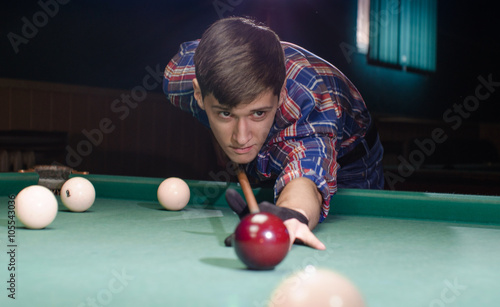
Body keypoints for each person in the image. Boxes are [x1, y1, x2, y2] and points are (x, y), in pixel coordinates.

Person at [163, 17, 384, 250]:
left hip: (350, 160)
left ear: (278, 95)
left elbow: (306, 172)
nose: (240, 137)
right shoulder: (179, 81)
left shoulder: (307, 102)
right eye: (225, 114)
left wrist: (291, 215)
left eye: (257, 113)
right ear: (198, 94)